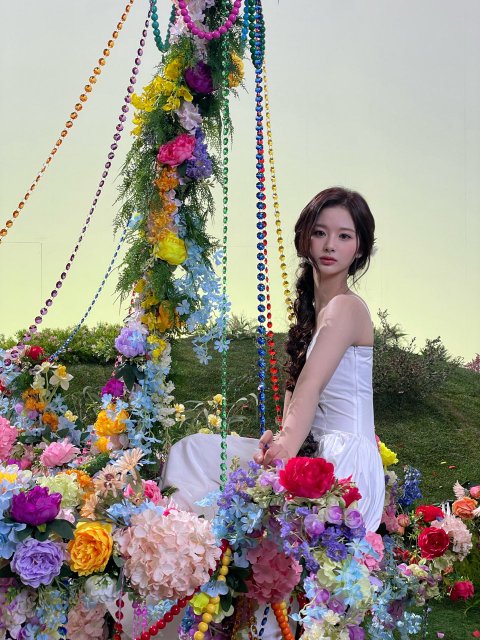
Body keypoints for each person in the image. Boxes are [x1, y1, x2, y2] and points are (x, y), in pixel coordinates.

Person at [163, 186, 384, 532]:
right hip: (311, 448)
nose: (330, 245)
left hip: (343, 465)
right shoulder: (317, 311)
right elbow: (299, 398)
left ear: (359, 248)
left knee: (215, 476)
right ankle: (178, 541)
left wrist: (284, 448)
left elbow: (311, 385)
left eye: (344, 236)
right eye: (320, 232)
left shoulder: (346, 307)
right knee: (193, 451)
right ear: (304, 239)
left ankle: (180, 541)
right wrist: (277, 442)